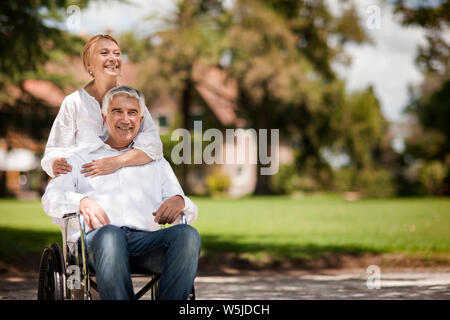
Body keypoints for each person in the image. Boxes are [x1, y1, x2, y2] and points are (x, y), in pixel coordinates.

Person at [42, 86, 201, 300]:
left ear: (141, 118)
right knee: (111, 234)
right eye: (117, 111)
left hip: (145, 242)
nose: (125, 119)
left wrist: (179, 201)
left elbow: (185, 207)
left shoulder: (155, 162)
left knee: (188, 235)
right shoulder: (78, 158)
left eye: (132, 112)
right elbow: (51, 198)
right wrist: (81, 201)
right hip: (96, 244)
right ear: (104, 116)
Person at [41, 34, 163, 179]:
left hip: (127, 183)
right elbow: (55, 150)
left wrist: (115, 162)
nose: (113, 58)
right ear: (89, 65)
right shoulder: (74, 102)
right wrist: (55, 162)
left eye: (117, 53)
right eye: (104, 53)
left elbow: (154, 145)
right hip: (87, 184)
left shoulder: (132, 100)